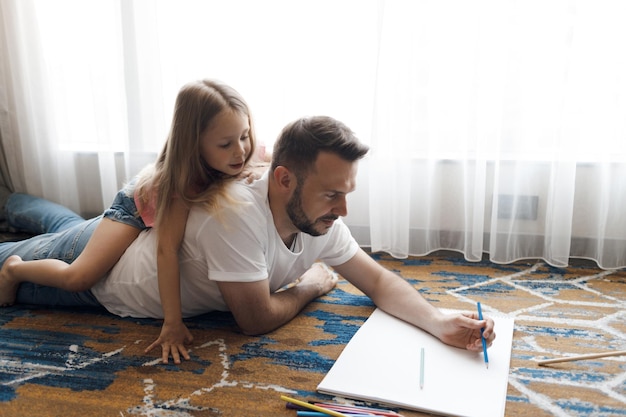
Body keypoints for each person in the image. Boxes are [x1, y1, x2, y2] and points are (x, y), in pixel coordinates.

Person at [0, 115, 495, 356]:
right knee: (32, 255)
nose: (343, 211)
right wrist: (311, 284)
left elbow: (380, 282)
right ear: (283, 180)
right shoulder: (237, 215)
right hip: (105, 284)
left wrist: (436, 320)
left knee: (66, 226)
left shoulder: (319, 217)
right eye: (331, 195)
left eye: (347, 194)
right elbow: (254, 320)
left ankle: (16, 200)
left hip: (124, 234)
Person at [0, 78, 258, 364]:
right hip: (132, 212)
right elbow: (166, 250)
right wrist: (172, 322)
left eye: (244, 136)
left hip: (148, 201)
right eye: (226, 144)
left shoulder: (238, 149)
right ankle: (15, 270)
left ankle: (29, 209)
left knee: (71, 231)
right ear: (194, 144)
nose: (240, 151)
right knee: (79, 277)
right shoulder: (180, 184)